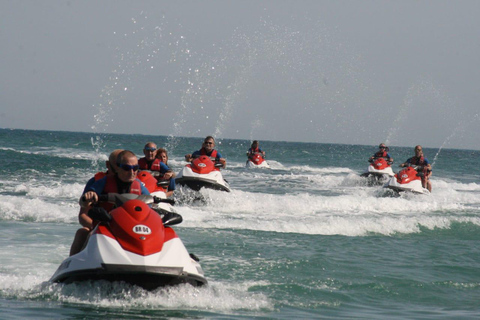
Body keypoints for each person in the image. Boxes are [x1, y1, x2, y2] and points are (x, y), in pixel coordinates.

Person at [70, 150, 150, 255]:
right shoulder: (100, 182)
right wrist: (87, 199)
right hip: (104, 226)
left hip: (130, 228)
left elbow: (150, 203)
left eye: (135, 168)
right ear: (117, 167)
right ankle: (77, 265)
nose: (132, 172)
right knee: (84, 233)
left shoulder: (139, 185)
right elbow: (84, 209)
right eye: (127, 168)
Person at [69, 149, 123, 256]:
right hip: (101, 227)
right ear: (108, 165)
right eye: (117, 165)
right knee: (83, 233)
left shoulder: (136, 184)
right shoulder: (96, 182)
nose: (120, 169)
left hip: (126, 228)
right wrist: (99, 226)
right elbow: (83, 215)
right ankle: (75, 266)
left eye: (124, 166)